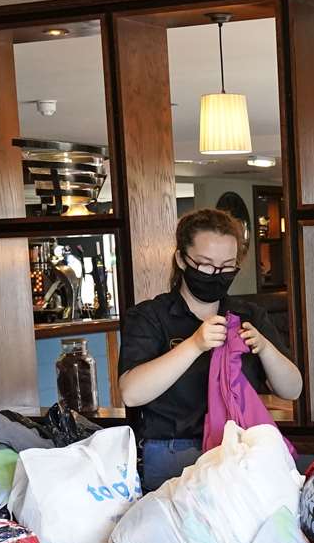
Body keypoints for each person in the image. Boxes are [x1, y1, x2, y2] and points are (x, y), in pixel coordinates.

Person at [119, 207, 303, 492]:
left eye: (227, 267)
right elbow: (132, 393)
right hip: (174, 454)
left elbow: (292, 389)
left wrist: (265, 348)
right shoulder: (151, 317)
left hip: (240, 452)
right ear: (181, 259)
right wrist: (194, 344)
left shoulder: (248, 316)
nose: (217, 274)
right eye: (205, 265)